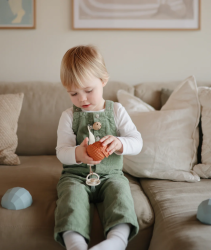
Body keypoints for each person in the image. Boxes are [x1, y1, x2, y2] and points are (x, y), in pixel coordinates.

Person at [54, 45, 143, 250]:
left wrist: (121, 143)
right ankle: (75, 244)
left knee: (121, 196)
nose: (82, 99)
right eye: (73, 93)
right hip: (75, 176)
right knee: (70, 199)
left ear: (103, 80)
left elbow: (137, 142)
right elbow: (61, 151)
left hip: (111, 175)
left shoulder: (117, 111)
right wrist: (78, 153)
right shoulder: (68, 116)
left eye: (88, 90)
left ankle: (116, 241)